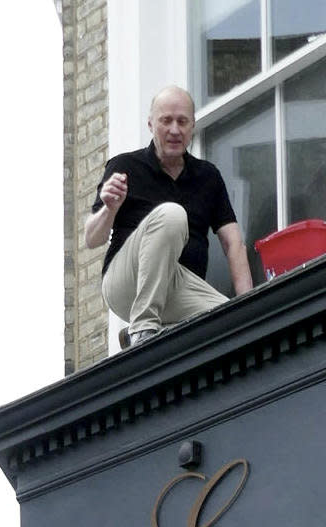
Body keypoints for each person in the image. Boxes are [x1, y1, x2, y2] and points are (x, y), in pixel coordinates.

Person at [85, 86, 253, 348]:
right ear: (151, 124)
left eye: (182, 121)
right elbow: (92, 239)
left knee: (235, 326)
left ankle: (149, 333)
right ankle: (143, 330)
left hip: (178, 286)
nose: (175, 129)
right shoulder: (125, 166)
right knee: (173, 215)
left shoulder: (208, 176)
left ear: (192, 126)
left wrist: (250, 306)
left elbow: (233, 243)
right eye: (166, 120)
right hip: (127, 281)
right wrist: (109, 207)